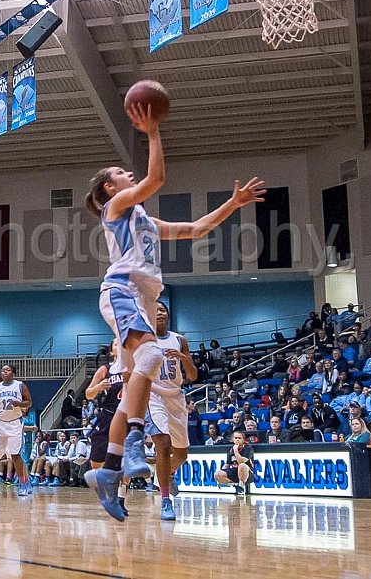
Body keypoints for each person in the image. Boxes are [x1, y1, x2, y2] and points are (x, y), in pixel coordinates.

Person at [83, 110, 265, 521]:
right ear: (111, 186)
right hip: (123, 289)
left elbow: (197, 229)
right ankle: (132, 441)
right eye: (120, 171)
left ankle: (109, 471)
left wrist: (232, 205)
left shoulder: (145, 219)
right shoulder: (115, 207)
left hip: (143, 298)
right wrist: (153, 132)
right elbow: (156, 180)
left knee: (133, 381)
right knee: (149, 358)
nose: (128, 173)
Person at [144, 302, 197, 520]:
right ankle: (166, 500)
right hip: (154, 395)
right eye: (154, 310)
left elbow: (193, 376)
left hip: (176, 397)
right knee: (163, 445)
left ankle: (168, 473)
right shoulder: (143, 340)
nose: (159, 313)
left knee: (182, 454)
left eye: (163, 310)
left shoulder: (179, 339)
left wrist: (184, 358)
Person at [84, 340, 130, 514]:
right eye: (117, 344)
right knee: (96, 464)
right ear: (112, 351)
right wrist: (98, 386)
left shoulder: (132, 368)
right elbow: (88, 394)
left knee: (125, 463)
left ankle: (120, 500)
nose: (121, 346)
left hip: (125, 417)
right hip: (107, 416)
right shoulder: (105, 369)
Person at [0, 364, 33, 496]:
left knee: (15, 455)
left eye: (8, 370)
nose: (5, 372)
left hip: (15, 424)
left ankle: (23, 483)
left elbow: (29, 402)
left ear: (13, 373)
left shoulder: (20, 385)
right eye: (3, 370)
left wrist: (19, 404)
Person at [214, 431, 254, 495]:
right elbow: (227, 464)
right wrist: (219, 479)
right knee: (217, 474)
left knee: (242, 465)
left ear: (243, 440)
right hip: (235, 471)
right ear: (233, 440)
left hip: (247, 473)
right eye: (235, 438)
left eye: (239, 438)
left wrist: (235, 450)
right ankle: (236, 485)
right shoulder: (230, 450)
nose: (237, 440)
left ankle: (241, 486)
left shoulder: (248, 448)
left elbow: (241, 461)